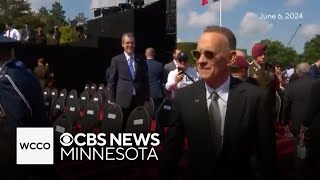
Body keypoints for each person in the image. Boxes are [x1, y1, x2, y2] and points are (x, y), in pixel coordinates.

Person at [159, 26, 277, 180]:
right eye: (197, 54)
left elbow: (267, 157)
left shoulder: (255, 98)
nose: (200, 61)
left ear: (230, 58)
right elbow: (171, 153)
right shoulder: (183, 97)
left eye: (209, 54)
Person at [0, 36, 57, 179]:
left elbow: (18, 118)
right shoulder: (21, 69)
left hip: (27, 139)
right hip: (38, 133)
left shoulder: (6, 78)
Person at [107, 33, 150, 131]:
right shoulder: (116, 60)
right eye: (127, 43)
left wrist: (147, 98)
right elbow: (112, 80)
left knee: (136, 125)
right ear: (122, 44)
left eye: (132, 43)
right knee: (121, 126)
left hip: (138, 99)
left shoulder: (141, 59)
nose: (130, 45)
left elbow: (145, 79)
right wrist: (111, 99)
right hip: (122, 99)